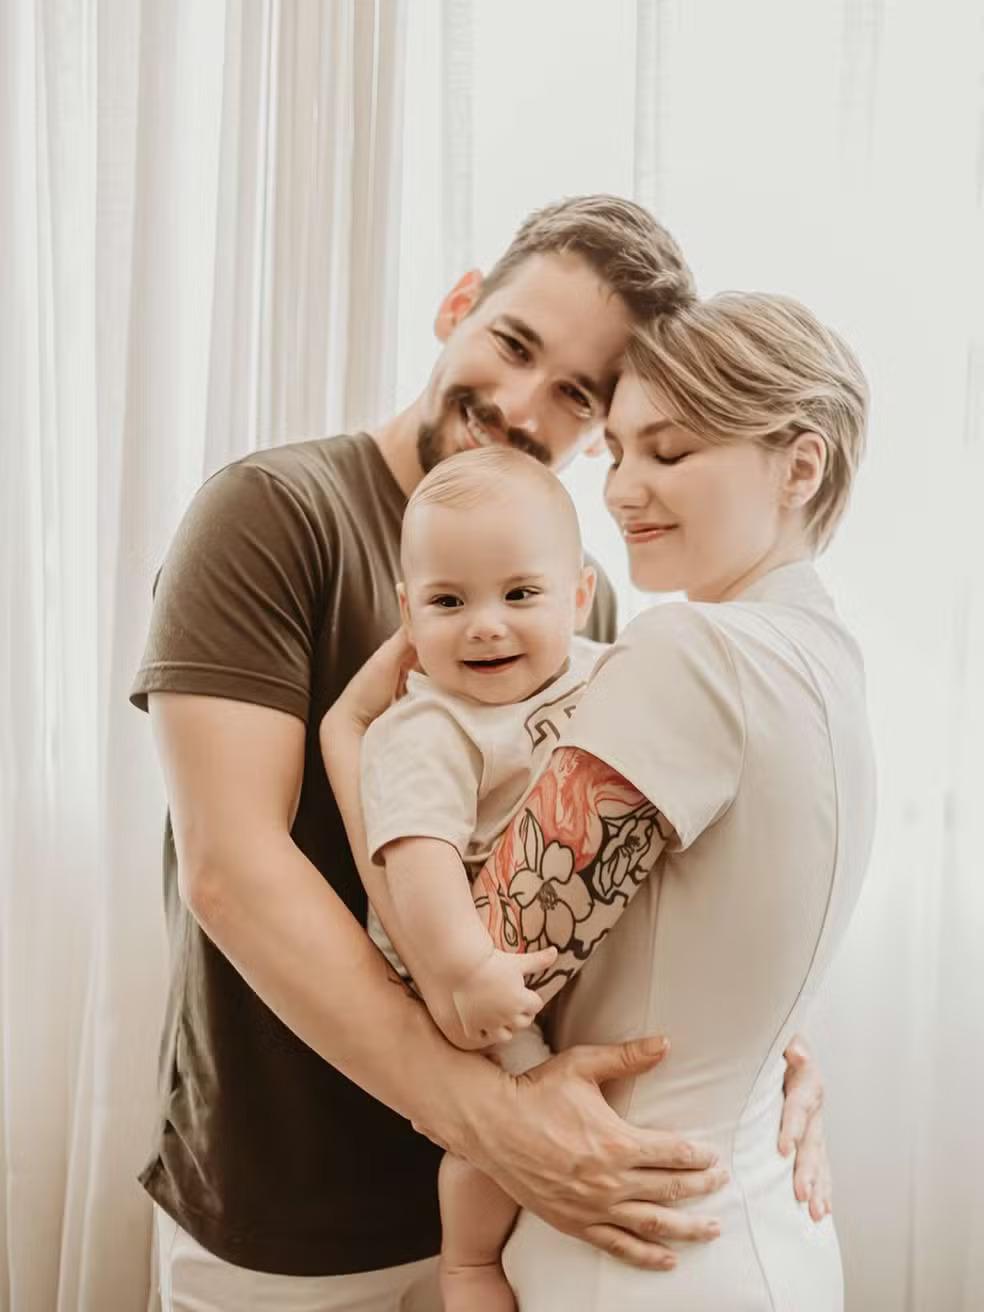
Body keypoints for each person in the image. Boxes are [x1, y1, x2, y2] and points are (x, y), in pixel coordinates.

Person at [132, 195, 827, 1309]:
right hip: (294, 1212)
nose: (518, 406)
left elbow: (623, 883)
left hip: (520, 1217)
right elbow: (234, 872)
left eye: (575, 395)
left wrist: (769, 1055)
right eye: (514, 344)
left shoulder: (567, 608)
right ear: (461, 302)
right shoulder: (273, 513)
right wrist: (497, 1122)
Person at [328, 290, 874, 1309]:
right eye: (615, 452)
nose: (625, 490)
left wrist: (350, 745)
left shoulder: (692, 652)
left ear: (801, 466)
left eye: (669, 452)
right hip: (764, 1222)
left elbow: (481, 969)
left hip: (637, 1248)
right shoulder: (827, 658)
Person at [323, 447, 625, 1312]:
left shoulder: (604, 670)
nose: (485, 625)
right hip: (466, 937)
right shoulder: (428, 729)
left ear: (579, 596)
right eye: (449, 602)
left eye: (519, 595)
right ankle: (470, 1264)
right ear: (409, 617)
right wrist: (462, 970)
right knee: (509, 1103)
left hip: (560, 916)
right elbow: (415, 857)